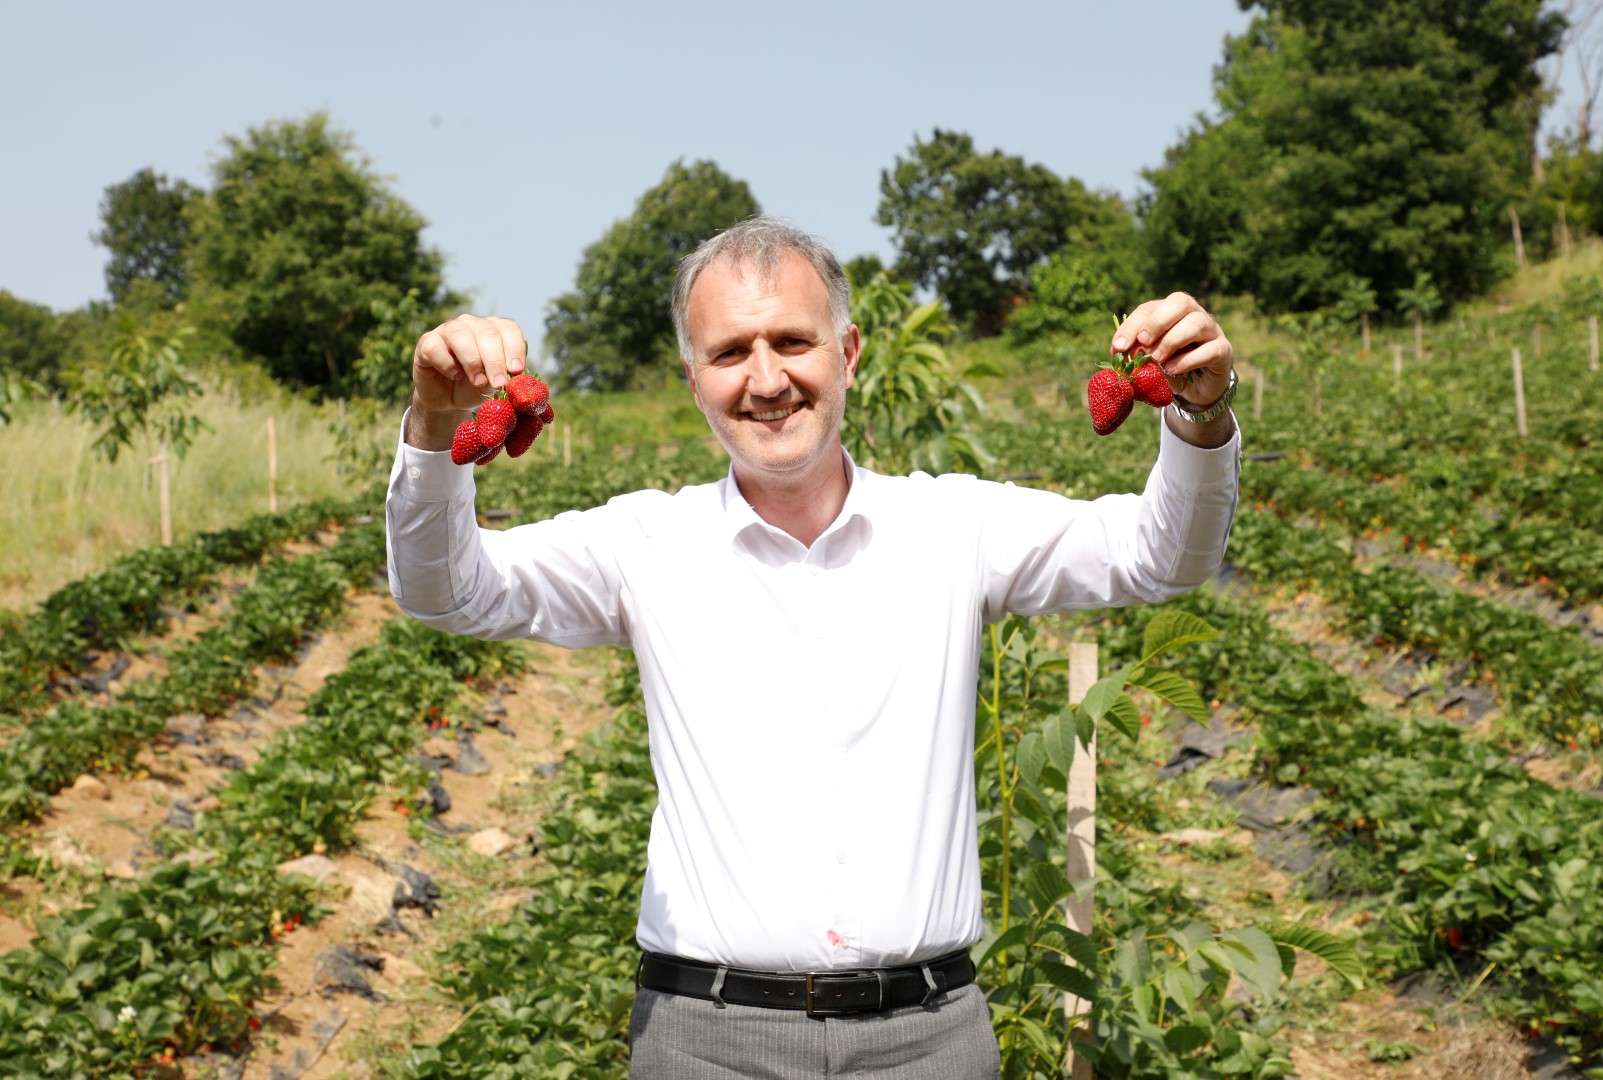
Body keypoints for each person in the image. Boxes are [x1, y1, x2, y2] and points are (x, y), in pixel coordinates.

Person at [385, 216, 1241, 1078]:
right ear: (692, 380)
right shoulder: (643, 543)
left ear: (850, 353)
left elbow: (1159, 558)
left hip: (929, 1041)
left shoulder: (953, 526)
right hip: (706, 1042)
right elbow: (448, 592)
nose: (766, 379)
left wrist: (1202, 411)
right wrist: (433, 425)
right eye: (729, 353)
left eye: (794, 341)